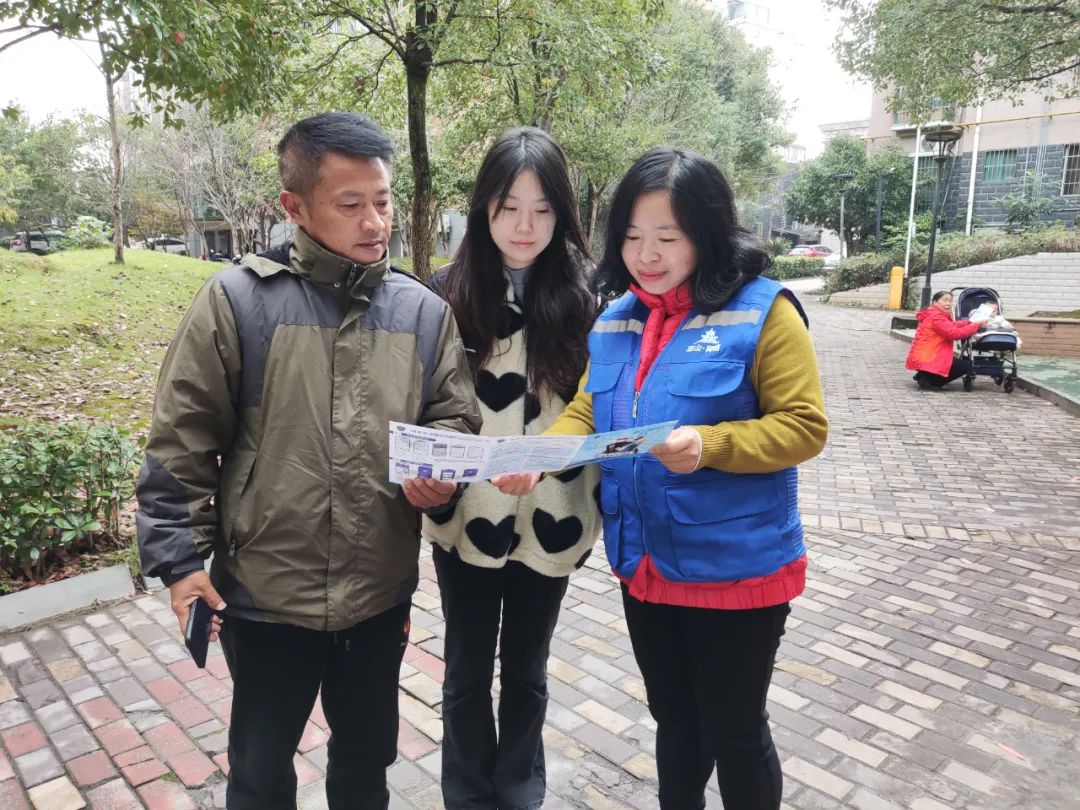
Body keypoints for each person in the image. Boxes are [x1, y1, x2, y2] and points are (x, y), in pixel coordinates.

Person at [135, 112, 481, 810]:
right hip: (266, 597)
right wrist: (178, 563)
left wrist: (439, 477)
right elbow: (181, 441)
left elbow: (454, 415)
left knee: (365, 766)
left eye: (382, 200)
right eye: (350, 204)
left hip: (377, 594)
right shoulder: (238, 302)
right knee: (260, 775)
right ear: (294, 206)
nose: (374, 222)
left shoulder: (421, 312)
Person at [494, 146, 828, 810]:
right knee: (674, 722)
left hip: (735, 570)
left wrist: (708, 445)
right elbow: (589, 409)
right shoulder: (616, 318)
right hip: (646, 565)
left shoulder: (764, 311)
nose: (646, 255)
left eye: (667, 238)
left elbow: (803, 426)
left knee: (735, 731)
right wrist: (542, 453)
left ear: (707, 232)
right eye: (632, 236)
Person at [425, 127, 602, 810]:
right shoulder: (444, 294)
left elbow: (599, 406)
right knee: (466, 669)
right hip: (466, 516)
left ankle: (519, 788)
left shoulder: (589, 300)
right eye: (508, 208)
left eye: (542, 209)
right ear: (483, 208)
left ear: (563, 214)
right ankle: (468, 793)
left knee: (527, 670)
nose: (524, 226)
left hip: (554, 515)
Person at [905, 290, 981, 389]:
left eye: (950, 300)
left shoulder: (933, 313)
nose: (948, 303)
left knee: (956, 363)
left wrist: (968, 323)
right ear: (935, 302)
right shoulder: (937, 317)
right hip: (931, 356)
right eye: (945, 300)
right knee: (966, 366)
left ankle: (924, 375)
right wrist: (976, 326)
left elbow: (950, 325)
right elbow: (954, 334)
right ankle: (931, 382)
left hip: (926, 353)